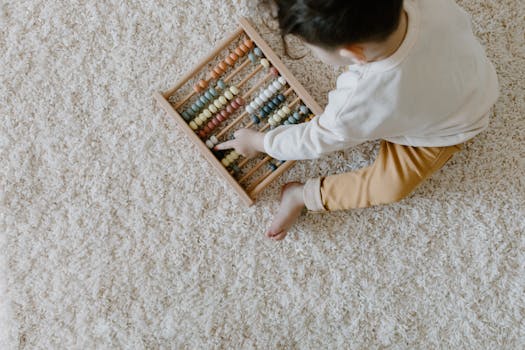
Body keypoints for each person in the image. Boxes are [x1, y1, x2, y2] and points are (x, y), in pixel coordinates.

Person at [215, 0, 499, 240]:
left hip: (448, 130)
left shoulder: (357, 102)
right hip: (475, 81)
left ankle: (303, 196)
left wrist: (259, 141)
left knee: (389, 187)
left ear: (352, 53)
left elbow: (315, 139)